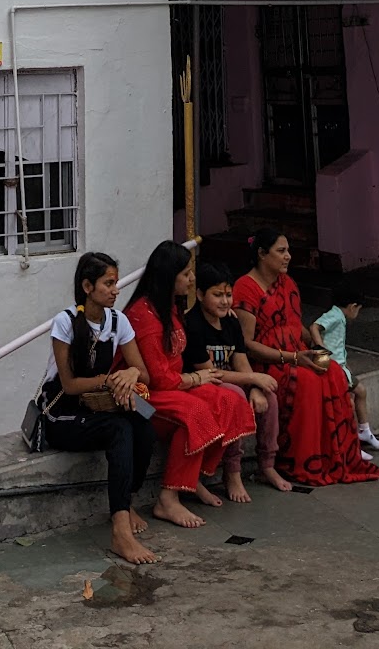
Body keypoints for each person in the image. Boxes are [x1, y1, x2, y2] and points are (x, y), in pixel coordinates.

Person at [232, 229, 379, 487]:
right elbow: (246, 344)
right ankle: (300, 461)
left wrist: (315, 345)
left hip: (296, 353)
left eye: (288, 250)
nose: (288, 256)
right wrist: (292, 357)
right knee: (307, 382)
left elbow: (294, 325)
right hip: (269, 361)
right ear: (261, 254)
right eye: (281, 251)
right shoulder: (245, 288)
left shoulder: (287, 283)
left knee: (333, 372)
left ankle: (335, 457)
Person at [126, 240, 257, 528]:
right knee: (194, 413)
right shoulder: (143, 315)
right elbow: (158, 378)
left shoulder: (168, 308)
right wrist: (195, 378)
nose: (191, 278)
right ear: (168, 276)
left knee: (231, 400)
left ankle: (192, 478)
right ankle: (167, 499)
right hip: (143, 399)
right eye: (186, 273)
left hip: (173, 389)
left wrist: (224, 312)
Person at [41, 251, 159, 565]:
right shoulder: (65, 322)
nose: (115, 290)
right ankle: (120, 530)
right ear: (87, 286)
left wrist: (132, 373)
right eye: (108, 283)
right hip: (62, 412)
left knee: (146, 419)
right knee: (120, 429)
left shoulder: (118, 321)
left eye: (116, 283)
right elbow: (69, 385)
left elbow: (144, 373)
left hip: (97, 407)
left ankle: (127, 499)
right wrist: (108, 380)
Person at [183, 259, 287, 499]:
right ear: (199, 294)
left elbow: (240, 360)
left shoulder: (230, 321)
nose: (225, 301)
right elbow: (212, 373)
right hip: (202, 385)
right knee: (236, 395)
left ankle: (267, 465)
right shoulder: (193, 325)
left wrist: (256, 386)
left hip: (233, 381)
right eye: (217, 295)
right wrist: (252, 378)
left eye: (228, 294)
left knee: (268, 394)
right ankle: (233, 471)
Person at [312, 278, 379, 454]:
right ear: (353, 306)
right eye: (358, 310)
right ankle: (352, 440)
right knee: (347, 403)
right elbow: (315, 327)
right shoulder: (335, 316)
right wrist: (320, 349)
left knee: (360, 392)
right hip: (333, 368)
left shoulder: (339, 317)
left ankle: (364, 431)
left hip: (341, 366)